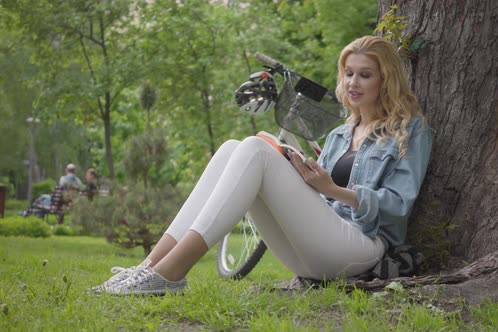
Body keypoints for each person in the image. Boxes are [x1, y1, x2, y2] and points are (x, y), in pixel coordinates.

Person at [92, 35, 433, 296]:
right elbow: (317, 198)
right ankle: (148, 267)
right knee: (231, 149)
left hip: (361, 246)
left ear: (385, 80)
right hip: (315, 249)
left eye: (365, 75)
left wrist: (333, 190)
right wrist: (303, 175)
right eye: (348, 74)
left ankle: (170, 274)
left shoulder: (410, 131)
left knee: (255, 148)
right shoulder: (340, 135)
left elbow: (398, 206)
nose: (353, 83)